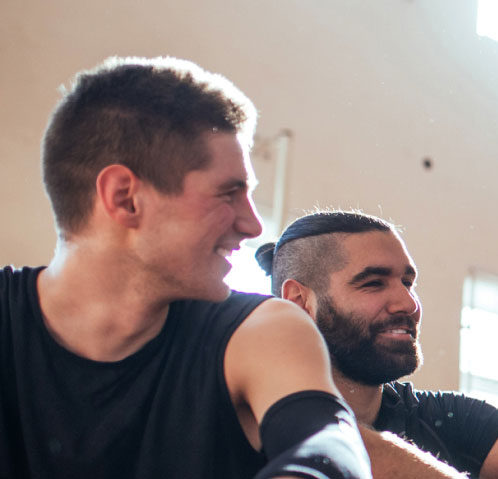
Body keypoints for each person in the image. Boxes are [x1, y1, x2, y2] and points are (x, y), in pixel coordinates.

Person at [0, 57, 370, 478]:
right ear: (125, 198)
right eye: (228, 193)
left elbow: (331, 450)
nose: (251, 225)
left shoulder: (260, 332)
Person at [256, 211, 498, 479]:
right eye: (373, 283)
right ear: (299, 303)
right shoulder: (246, 421)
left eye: (407, 282)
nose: (408, 304)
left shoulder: (450, 417)